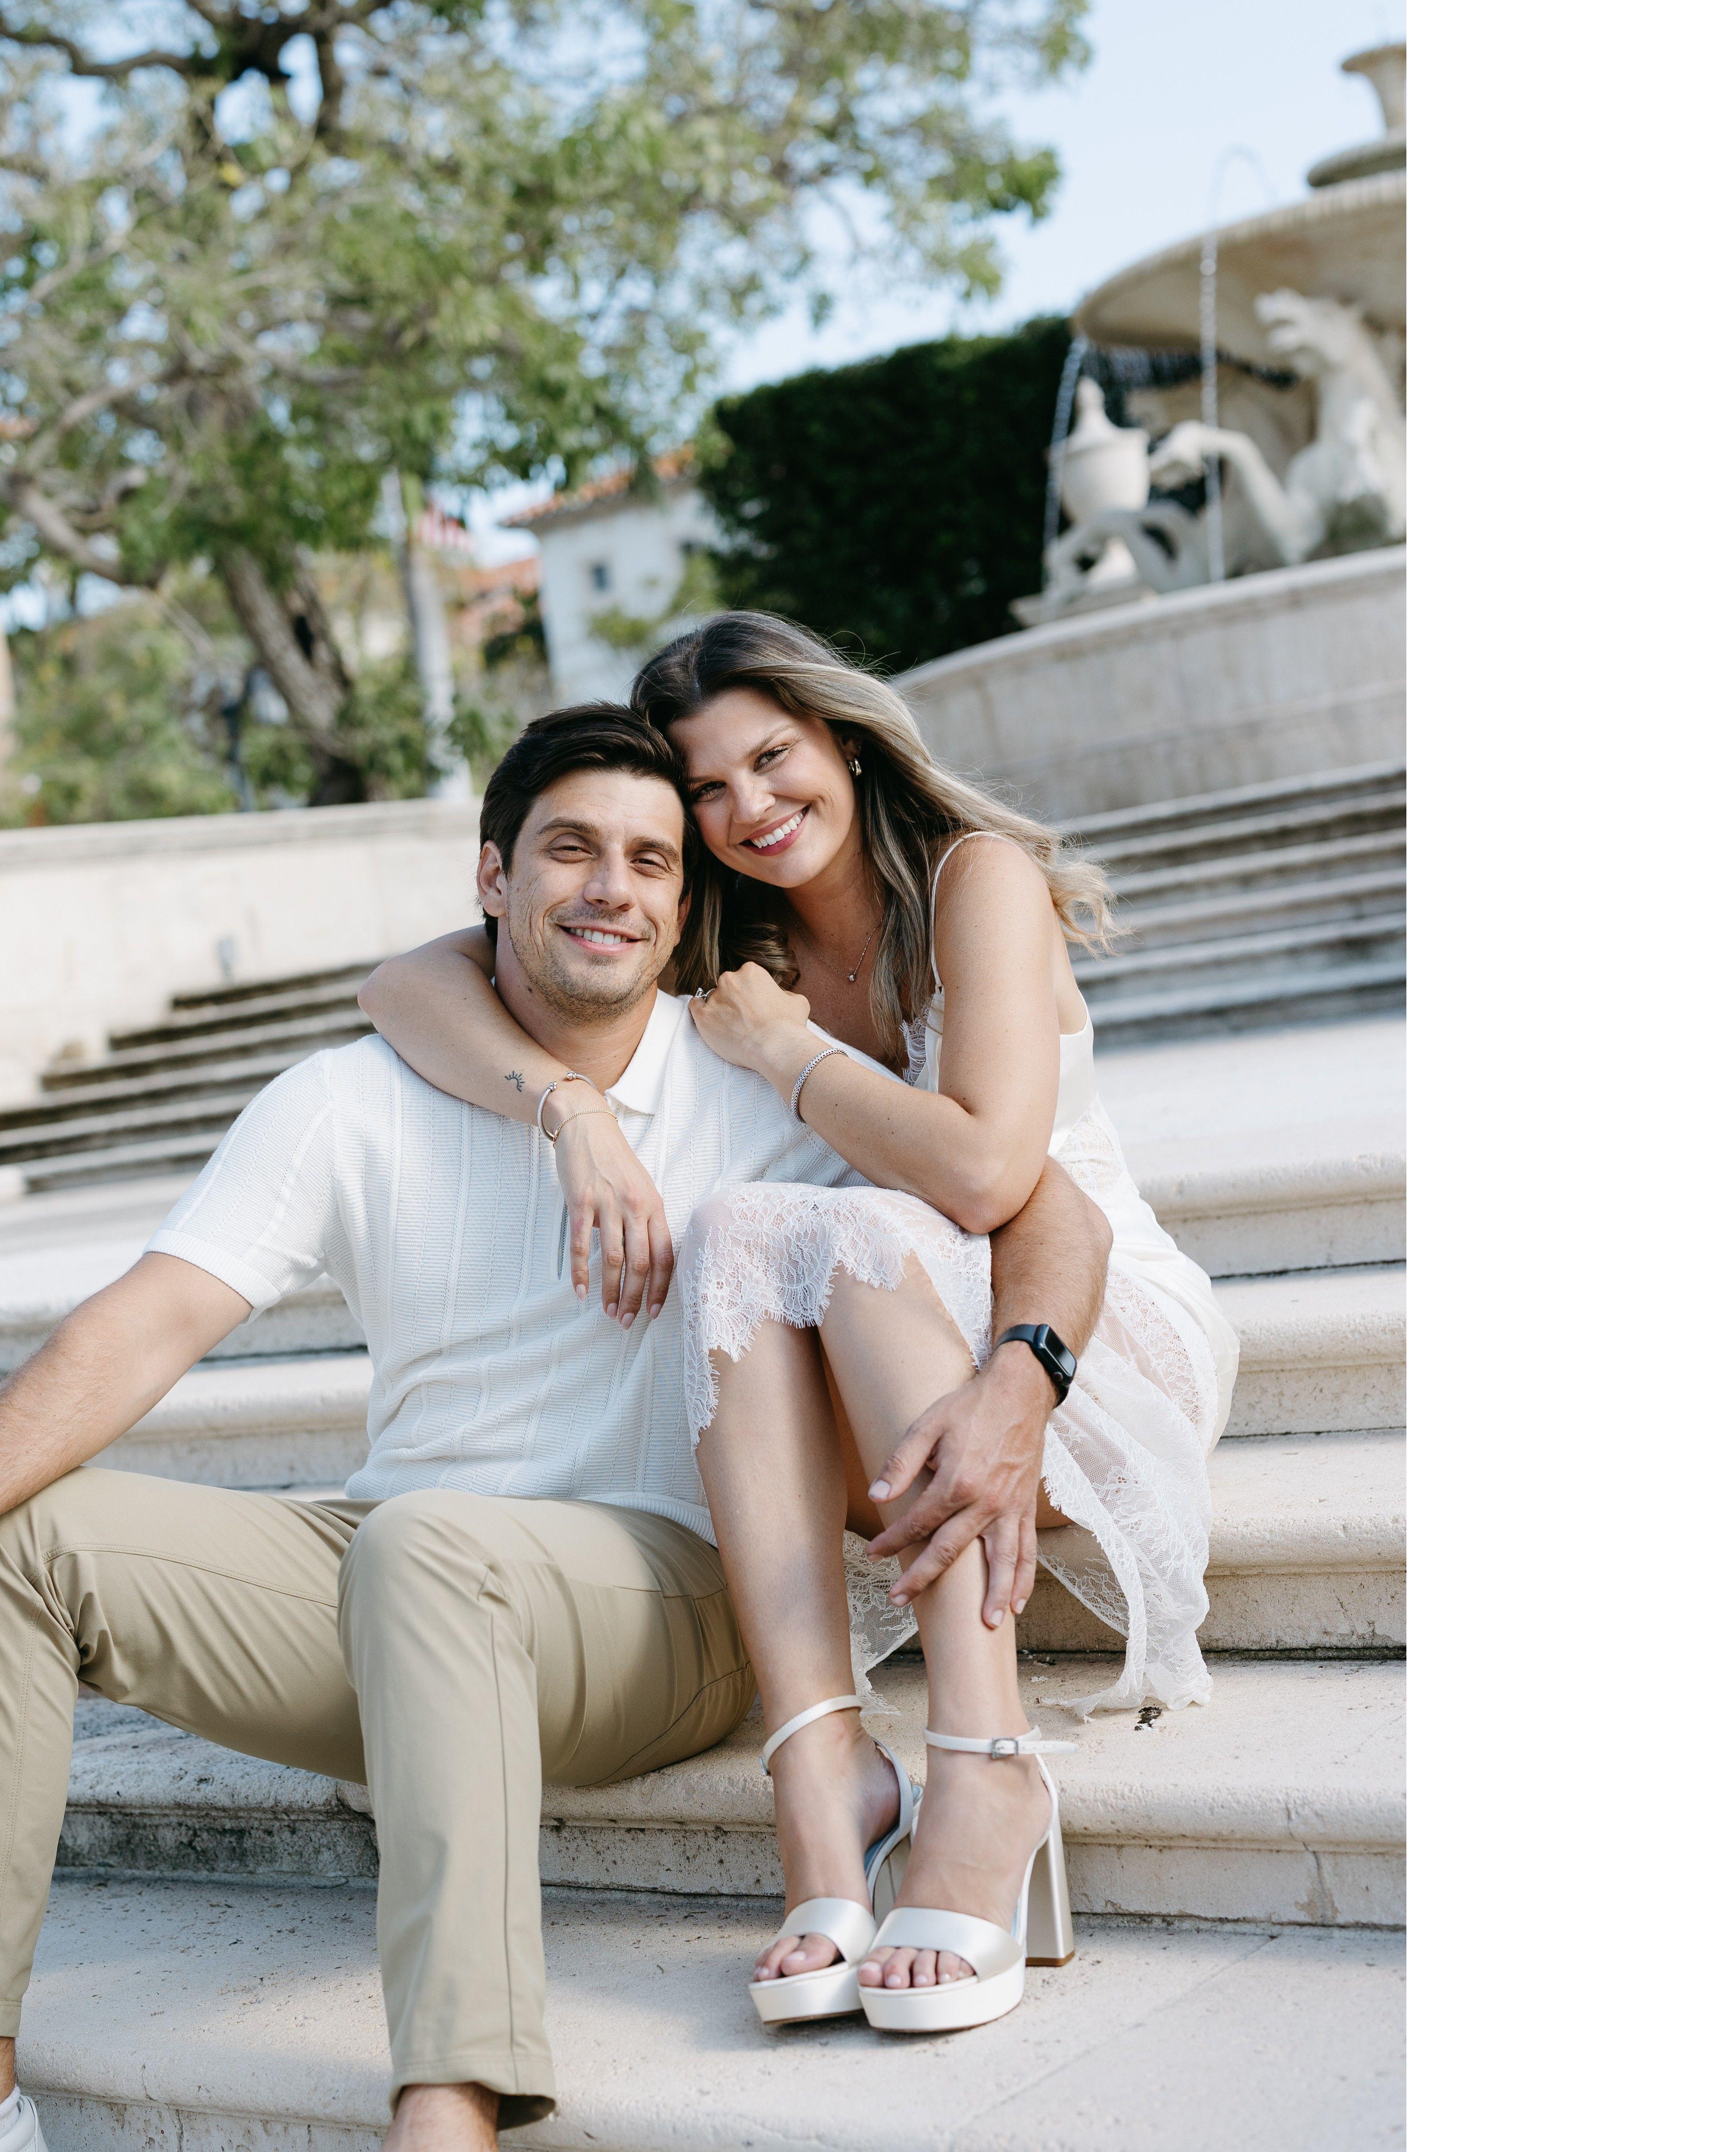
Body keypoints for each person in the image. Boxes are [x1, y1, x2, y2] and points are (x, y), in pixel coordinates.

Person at [0, 704, 1113, 2152]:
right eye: (571, 851)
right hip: (404, 1573)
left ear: (685, 905)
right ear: (492, 877)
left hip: (674, 1602)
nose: (611, 888)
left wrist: (1025, 1377)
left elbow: (1036, 1202)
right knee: (13, 1539)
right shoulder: (351, 1096)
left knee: (433, 1551)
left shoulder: (751, 1081)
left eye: (652, 861)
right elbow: (150, 1319)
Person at [356, 613, 1239, 2033]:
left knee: (853, 1225)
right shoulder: (726, 936)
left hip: (1082, 1335)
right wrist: (572, 1109)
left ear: (844, 736)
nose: (751, 808)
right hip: (887, 1364)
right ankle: (825, 1772)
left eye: (774, 757)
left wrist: (786, 1049)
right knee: (742, 1229)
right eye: (708, 790)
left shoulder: (971, 882)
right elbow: (400, 986)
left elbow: (994, 1181)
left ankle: (986, 1762)